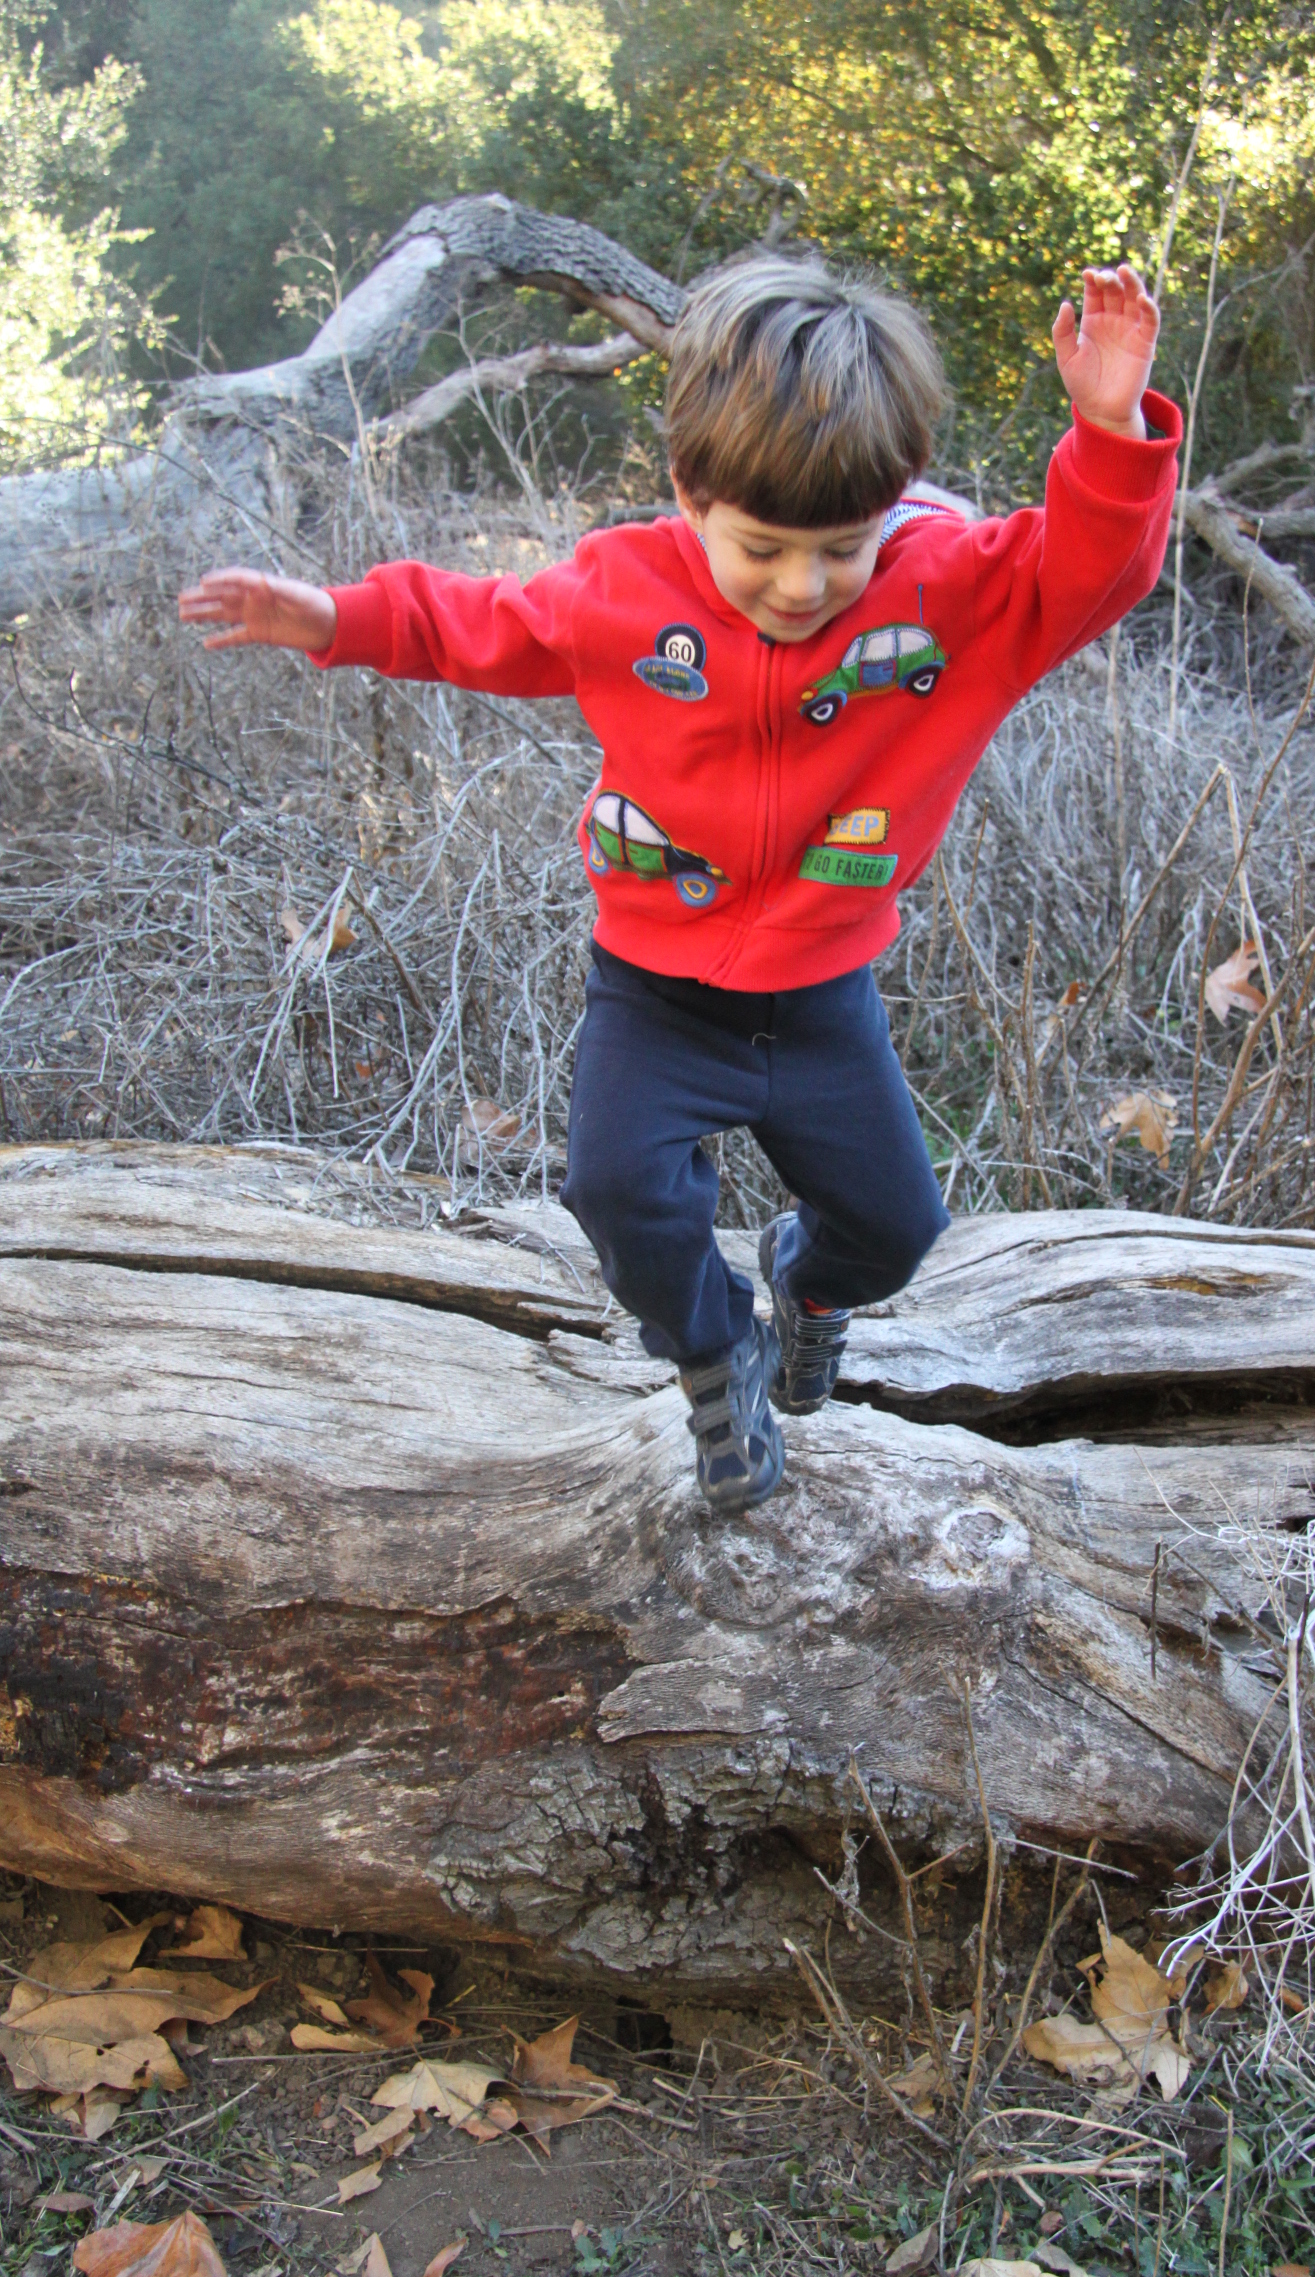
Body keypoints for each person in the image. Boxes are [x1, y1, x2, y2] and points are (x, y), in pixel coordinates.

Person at [179, 252, 1179, 1512]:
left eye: (842, 549)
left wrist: (1107, 431)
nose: (801, 587)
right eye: (760, 548)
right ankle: (716, 1353)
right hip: (652, 990)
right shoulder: (626, 589)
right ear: (688, 491)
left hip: (820, 1000)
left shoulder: (954, 598)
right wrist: (333, 618)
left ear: (893, 503)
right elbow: (482, 623)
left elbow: (1092, 571)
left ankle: (805, 1284)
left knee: (894, 1231)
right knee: (616, 1196)